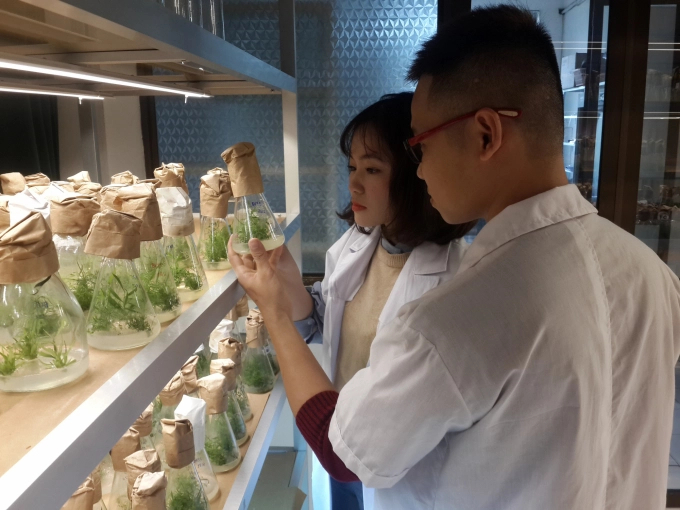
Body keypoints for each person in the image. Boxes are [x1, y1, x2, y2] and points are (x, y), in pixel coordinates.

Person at [229, 6, 680, 510]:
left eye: (420, 147)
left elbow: (345, 454)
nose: (418, 172)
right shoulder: (653, 276)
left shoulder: (455, 317)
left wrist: (272, 312)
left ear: (486, 134)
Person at [272, 92, 475, 509]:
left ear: (415, 175)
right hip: (337, 434)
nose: (353, 182)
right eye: (352, 167)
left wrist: (271, 312)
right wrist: (290, 284)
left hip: (396, 468)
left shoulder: (454, 282)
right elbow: (329, 322)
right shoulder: (359, 244)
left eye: (372, 169)